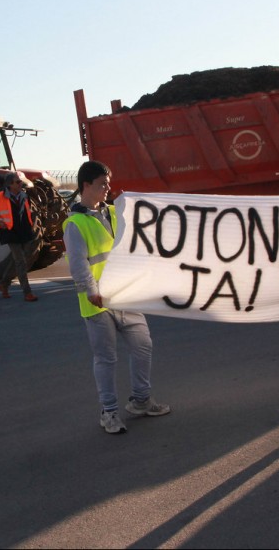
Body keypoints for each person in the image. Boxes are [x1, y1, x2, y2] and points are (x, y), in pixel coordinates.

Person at [62, 161, 170, 434]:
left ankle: (141, 400)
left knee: (143, 346)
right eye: (102, 184)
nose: (108, 188)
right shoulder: (75, 224)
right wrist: (92, 290)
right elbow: (78, 263)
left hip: (125, 295)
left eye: (108, 183)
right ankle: (108, 412)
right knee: (106, 359)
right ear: (86, 185)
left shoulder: (114, 212)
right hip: (97, 301)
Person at [0, 172, 39, 302]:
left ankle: (4, 283)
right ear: (10, 184)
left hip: (25, 232)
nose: (21, 183)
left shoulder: (24, 196)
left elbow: (28, 213)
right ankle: (27, 292)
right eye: (18, 182)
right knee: (20, 261)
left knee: (18, 260)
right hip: (10, 233)